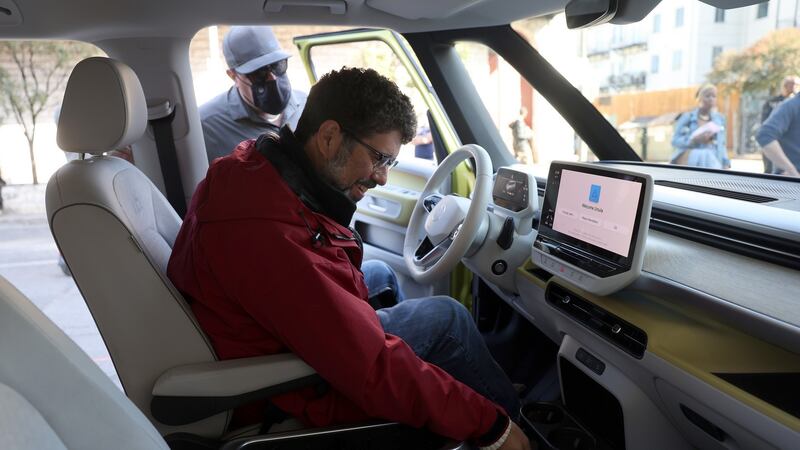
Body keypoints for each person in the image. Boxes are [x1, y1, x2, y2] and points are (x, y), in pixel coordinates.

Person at [167, 67, 531, 450]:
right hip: (286, 386)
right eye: (380, 159)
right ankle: (514, 422)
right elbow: (373, 367)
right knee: (448, 319)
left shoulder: (249, 169)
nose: (383, 178)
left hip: (264, 336)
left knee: (380, 273)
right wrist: (490, 425)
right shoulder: (267, 233)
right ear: (328, 136)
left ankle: (464, 386)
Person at [200, 26, 307, 163]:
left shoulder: (306, 104)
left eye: (277, 65)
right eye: (258, 72)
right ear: (233, 76)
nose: (272, 78)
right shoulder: (207, 127)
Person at [670, 84, 730, 169]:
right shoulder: (687, 117)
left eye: (714, 96)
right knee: (705, 155)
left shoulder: (719, 119)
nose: (711, 99)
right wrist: (693, 140)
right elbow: (674, 141)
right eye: (707, 96)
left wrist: (725, 163)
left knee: (708, 156)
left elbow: (722, 144)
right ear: (699, 98)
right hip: (690, 160)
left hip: (713, 161)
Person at [760, 75, 799, 173]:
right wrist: (791, 171)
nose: (793, 88)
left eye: (796, 85)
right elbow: (765, 132)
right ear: (785, 86)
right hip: (777, 147)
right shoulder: (776, 103)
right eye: (791, 85)